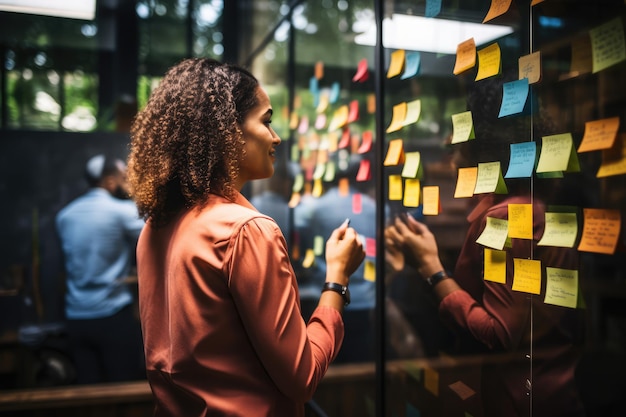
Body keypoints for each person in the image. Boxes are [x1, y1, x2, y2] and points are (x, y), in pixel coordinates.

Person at [127, 58, 365, 417]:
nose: (276, 136)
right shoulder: (247, 231)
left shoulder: (155, 227)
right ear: (227, 131)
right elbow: (302, 378)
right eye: (266, 121)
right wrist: (337, 280)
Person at [385, 73, 587, 417]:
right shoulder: (528, 204)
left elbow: (498, 331)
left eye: (462, 129)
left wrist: (431, 268)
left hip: (517, 399)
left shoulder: (508, 216)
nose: (451, 140)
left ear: (484, 143)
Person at [55, 154, 145, 384]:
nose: (128, 182)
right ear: (110, 181)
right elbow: (157, 233)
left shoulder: (65, 216)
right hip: (112, 315)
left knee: (88, 391)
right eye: (124, 177)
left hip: (75, 317)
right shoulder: (121, 211)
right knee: (122, 387)